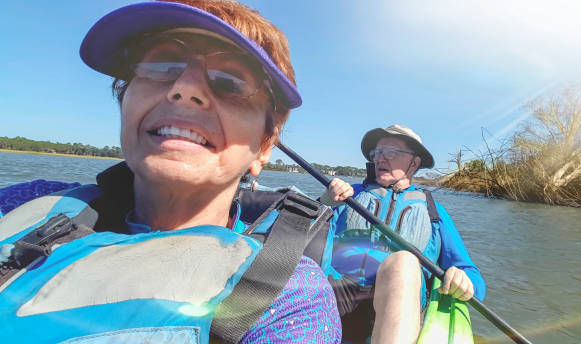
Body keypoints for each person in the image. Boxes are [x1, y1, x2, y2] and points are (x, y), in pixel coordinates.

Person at [0, 1, 341, 343]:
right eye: (161, 64)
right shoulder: (23, 200)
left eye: (231, 81)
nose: (185, 88)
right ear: (125, 103)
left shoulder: (290, 298)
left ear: (265, 146)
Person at [320, 124, 486, 343]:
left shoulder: (433, 211)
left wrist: (463, 281)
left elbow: (473, 278)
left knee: (404, 262)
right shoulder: (346, 195)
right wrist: (323, 203)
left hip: (399, 302)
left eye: (390, 153)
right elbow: (305, 239)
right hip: (337, 294)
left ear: (413, 163)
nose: (380, 159)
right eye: (376, 153)